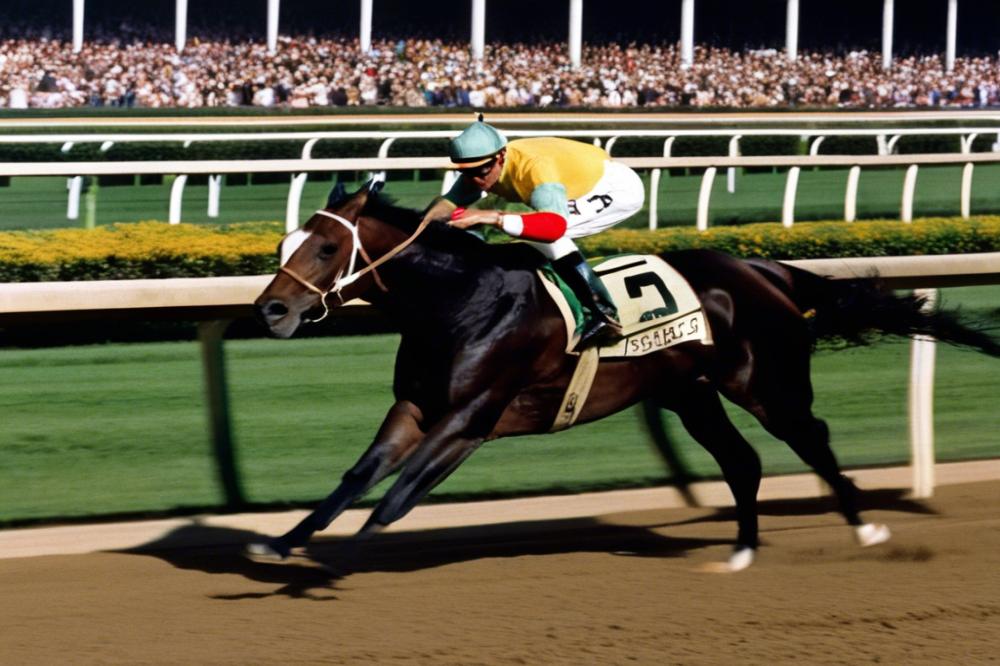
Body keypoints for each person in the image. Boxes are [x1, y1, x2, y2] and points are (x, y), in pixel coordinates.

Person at [424, 118, 645, 349]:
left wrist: (492, 216)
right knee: (520, 233)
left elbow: (553, 226)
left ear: (500, 156)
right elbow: (448, 204)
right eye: (466, 172)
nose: (476, 179)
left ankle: (605, 315)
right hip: (581, 182)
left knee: (543, 237)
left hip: (615, 188)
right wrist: (419, 226)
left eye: (482, 170)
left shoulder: (534, 170)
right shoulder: (482, 166)